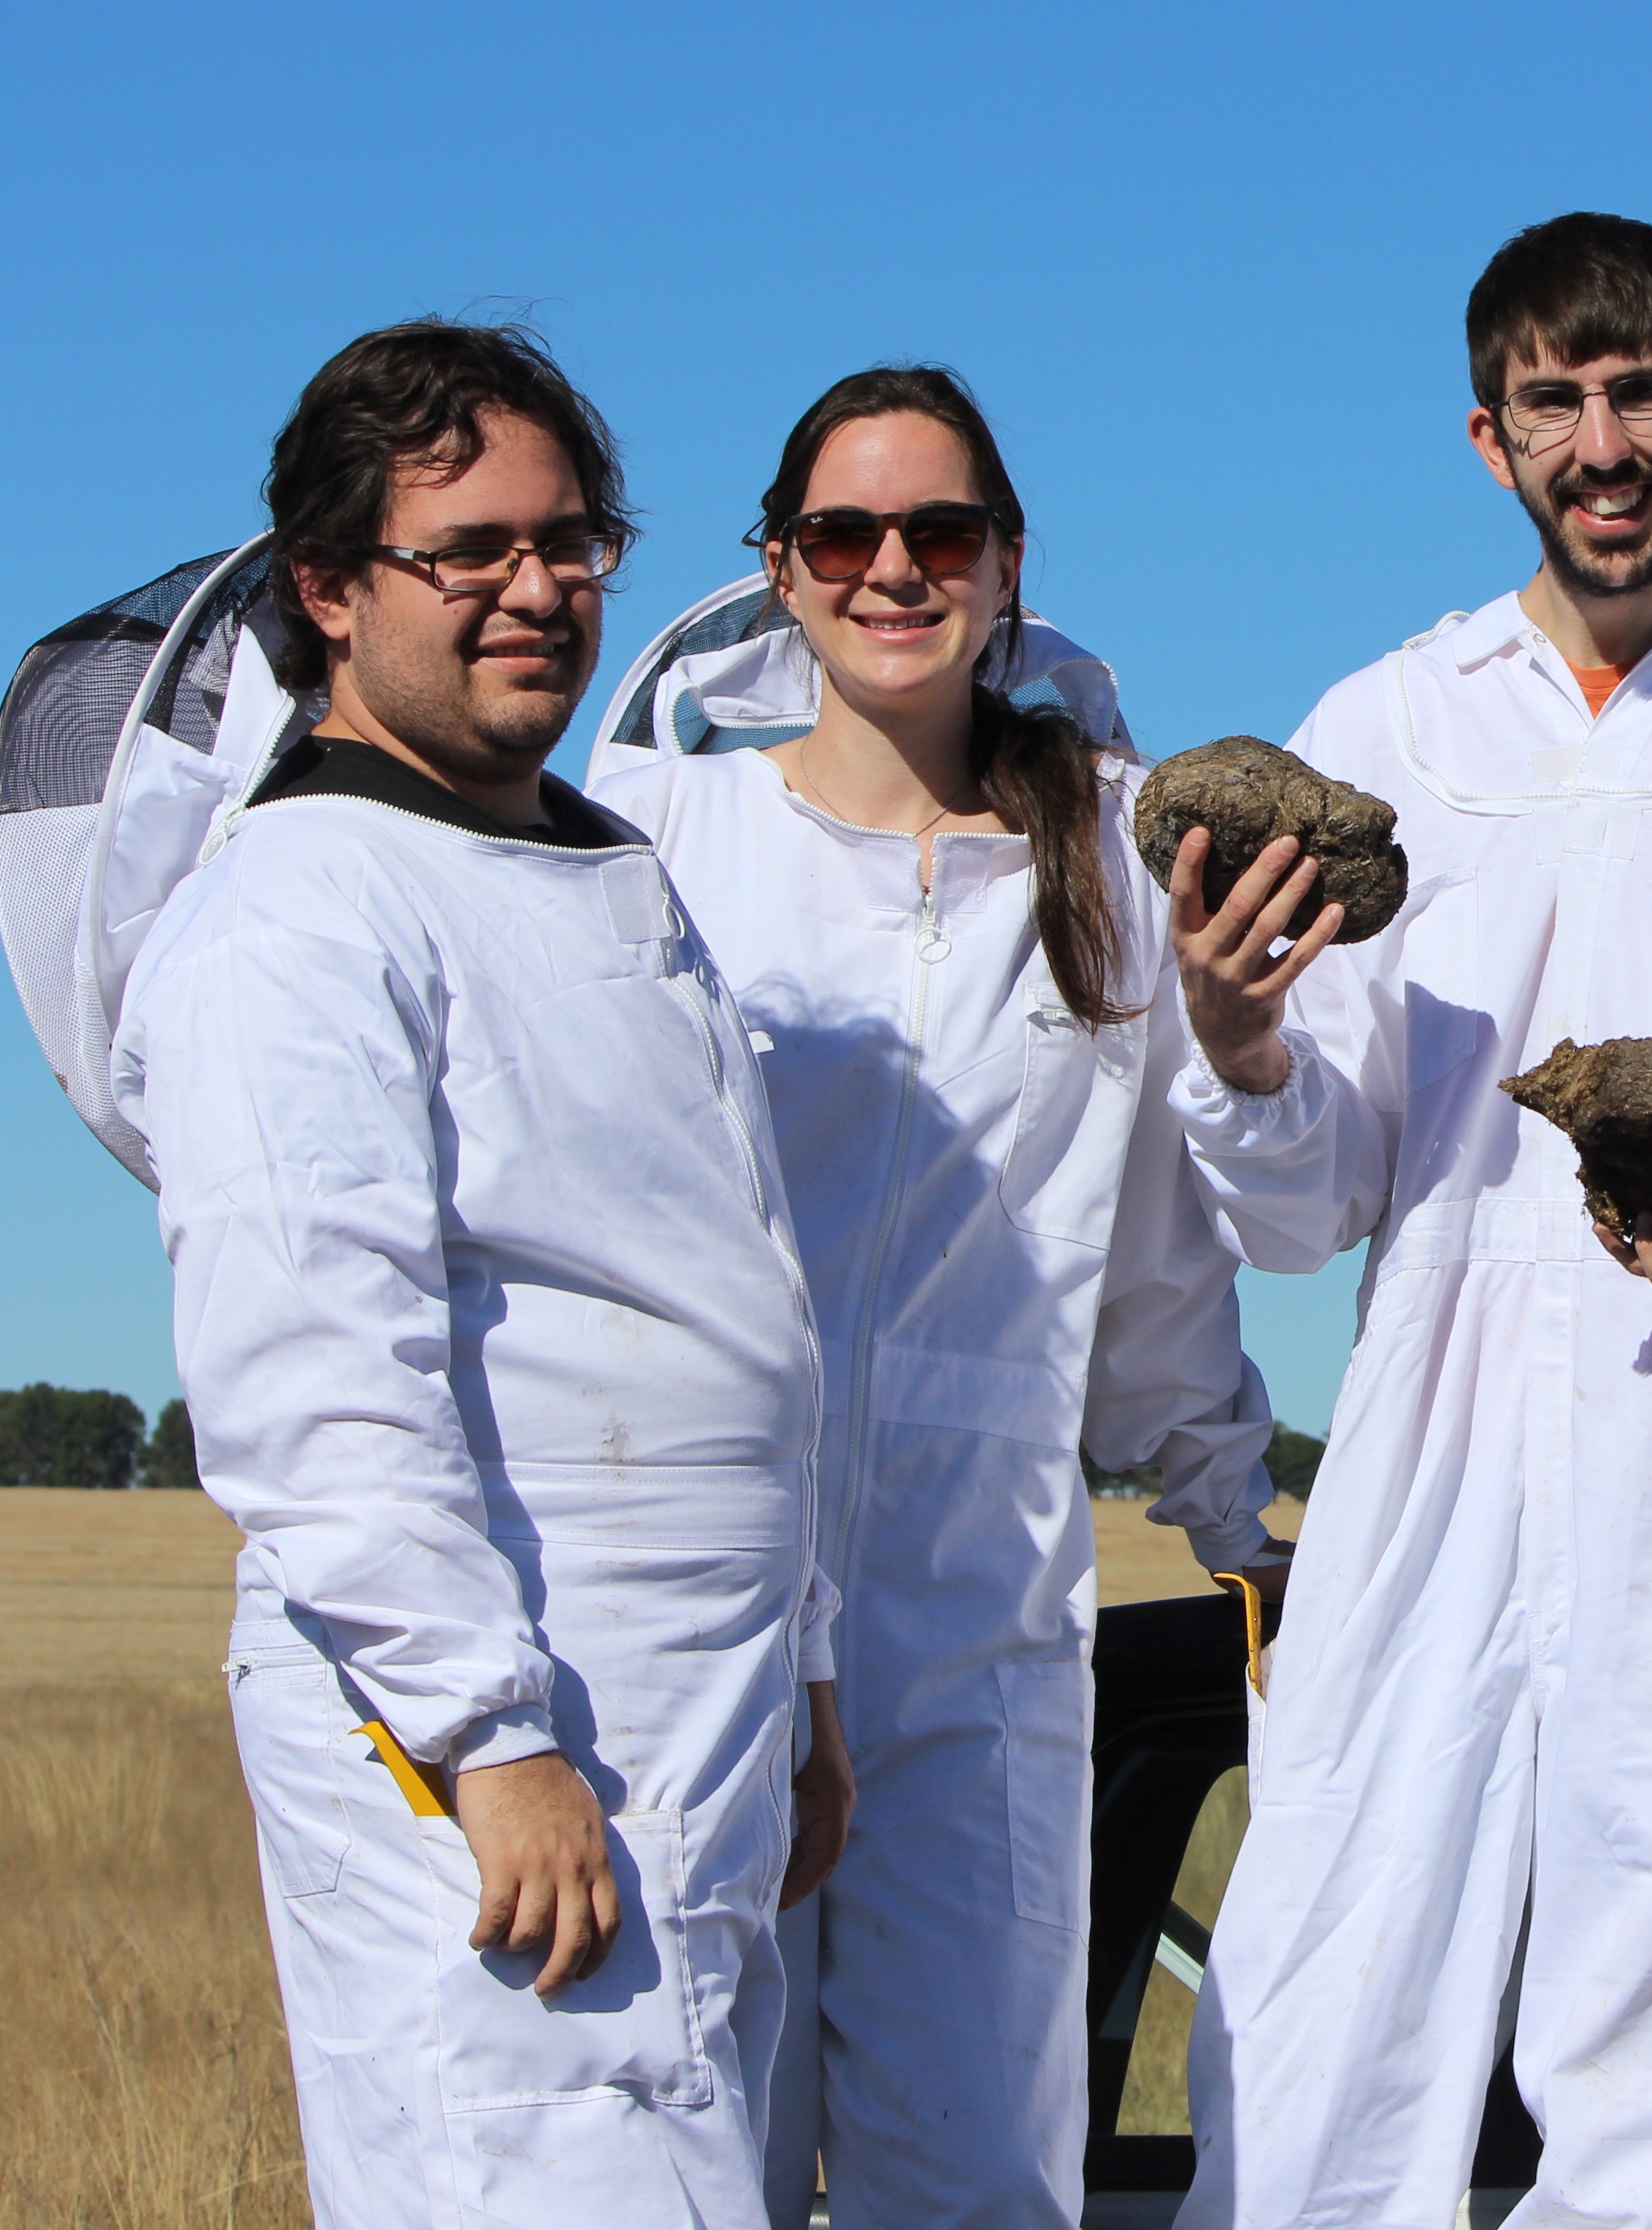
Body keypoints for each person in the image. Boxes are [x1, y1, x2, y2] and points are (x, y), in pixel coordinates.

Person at [1164, 213, 1652, 2229]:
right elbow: (1309, 1195)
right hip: (1429, 1474)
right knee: (1321, 2042)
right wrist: (1239, 1039)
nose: (1603, 443)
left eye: (1641, 396)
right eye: (1556, 402)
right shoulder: (1389, 724)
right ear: (1489, 439)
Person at [114, 321, 848, 2230]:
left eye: (572, 539)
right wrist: (486, 1738)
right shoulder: (293, 914)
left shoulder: (614, 876)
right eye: (471, 552)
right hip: (500, 1738)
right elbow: (315, 1383)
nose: (537, 588)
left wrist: (811, 1676)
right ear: (332, 591)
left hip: (711, 1712)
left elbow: (739, 1311)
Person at [596, 365, 1286, 2230]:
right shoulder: (654, 835)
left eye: (941, 532)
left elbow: (1154, 1244)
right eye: (846, 533)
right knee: (688, 2162)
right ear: (779, 570)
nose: (893, 567)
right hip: (699, 1602)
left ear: (1006, 565)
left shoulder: (1127, 855)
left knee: (974, 2171)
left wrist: (1236, 1522)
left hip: (979, 1609)